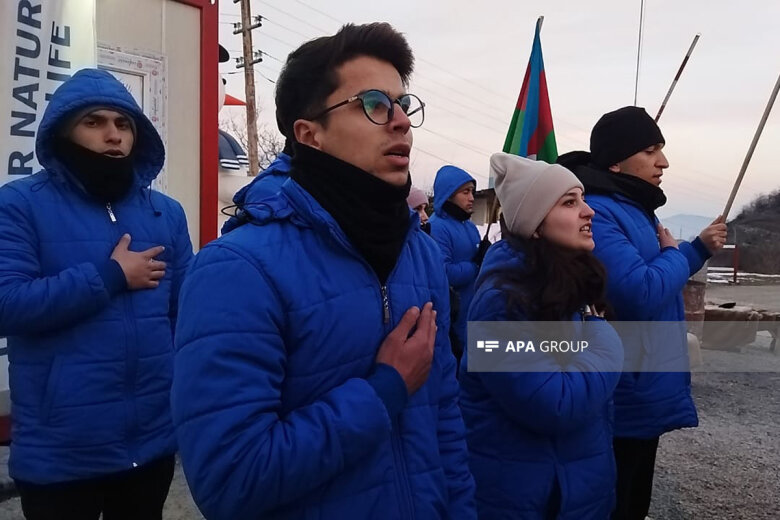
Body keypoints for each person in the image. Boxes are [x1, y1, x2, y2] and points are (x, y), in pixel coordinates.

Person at [171, 22, 476, 519]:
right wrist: (384, 389)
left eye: (403, 104)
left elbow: (444, 421)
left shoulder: (418, 254)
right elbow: (229, 480)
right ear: (309, 134)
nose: (401, 122)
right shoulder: (237, 269)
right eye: (374, 104)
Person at [0, 68, 193, 520]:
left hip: (150, 445)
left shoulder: (165, 213)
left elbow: (186, 317)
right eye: (94, 122)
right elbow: (7, 305)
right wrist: (110, 276)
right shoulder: (20, 204)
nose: (113, 135)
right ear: (62, 131)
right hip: (61, 454)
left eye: (124, 124)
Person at [558, 106, 727, 520]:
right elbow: (637, 292)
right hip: (624, 387)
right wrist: (685, 253)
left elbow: (655, 276)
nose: (663, 162)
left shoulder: (636, 208)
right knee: (617, 501)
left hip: (643, 383)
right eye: (650, 151)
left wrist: (690, 252)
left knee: (635, 498)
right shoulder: (601, 212)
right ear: (616, 161)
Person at [459, 153, 624, 519]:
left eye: (582, 199)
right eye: (569, 202)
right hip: (526, 500)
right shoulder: (499, 303)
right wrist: (605, 339)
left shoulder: (566, 285)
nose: (589, 212)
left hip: (571, 491)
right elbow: (556, 402)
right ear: (534, 225)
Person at [429, 166, 487, 360]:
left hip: (473, 312)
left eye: (472, 192)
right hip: (453, 318)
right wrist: (476, 265)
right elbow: (443, 273)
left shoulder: (469, 226)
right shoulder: (437, 227)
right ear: (449, 194)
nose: (472, 198)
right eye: (465, 192)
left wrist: (486, 255)